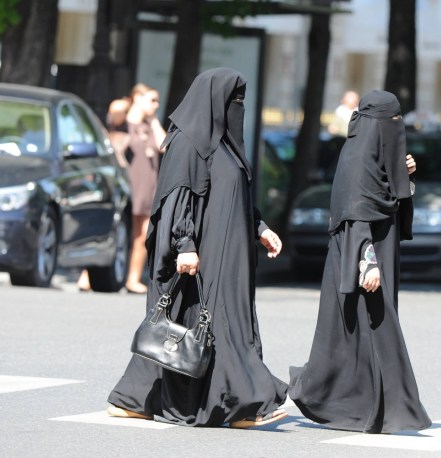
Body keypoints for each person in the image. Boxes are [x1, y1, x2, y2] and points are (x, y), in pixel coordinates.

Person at [106, 67, 288, 428]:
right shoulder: (188, 142)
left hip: (228, 254)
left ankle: (223, 405)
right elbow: (177, 198)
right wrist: (185, 245)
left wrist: (260, 227)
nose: (239, 107)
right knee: (200, 327)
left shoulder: (227, 145)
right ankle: (240, 406)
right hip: (198, 256)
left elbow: (235, 196)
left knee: (214, 327)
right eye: (234, 100)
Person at [289, 90, 431, 434]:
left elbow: (389, 199)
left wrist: (404, 175)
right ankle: (391, 408)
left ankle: (364, 404)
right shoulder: (355, 160)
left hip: (376, 253)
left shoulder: (374, 154)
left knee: (366, 330)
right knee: (365, 329)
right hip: (360, 255)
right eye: (393, 122)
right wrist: (367, 261)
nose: (398, 128)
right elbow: (355, 212)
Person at [77, 97, 132, 292]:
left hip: (121, 181)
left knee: (110, 226)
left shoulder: (130, 131)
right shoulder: (105, 131)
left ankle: (91, 272)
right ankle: (86, 273)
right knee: (97, 223)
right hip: (106, 180)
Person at [123, 83, 166, 294]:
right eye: (152, 100)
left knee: (141, 235)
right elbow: (115, 112)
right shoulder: (124, 122)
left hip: (147, 187)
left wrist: (154, 120)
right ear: (138, 98)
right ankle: (88, 276)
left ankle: (133, 278)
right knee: (117, 228)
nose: (156, 105)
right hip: (128, 185)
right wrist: (131, 108)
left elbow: (164, 146)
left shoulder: (149, 126)